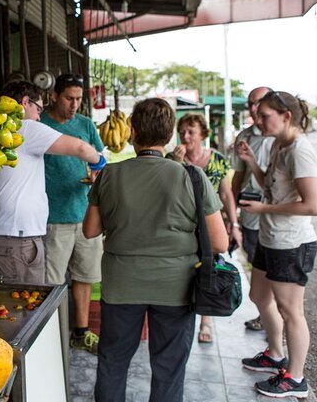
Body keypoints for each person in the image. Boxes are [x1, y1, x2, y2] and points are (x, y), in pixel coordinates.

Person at [84, 98, 228, 402]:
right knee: (168, 368)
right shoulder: (191, 176)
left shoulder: (109, 174)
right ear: (169, 136)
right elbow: (220, 242)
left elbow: (90, 230)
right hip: (176, 287)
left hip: (122, 285)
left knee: (113, 361)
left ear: (132, 132)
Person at [237, 91, 317, 398]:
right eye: (258, 115)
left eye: (265, 115)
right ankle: (275, 355)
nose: (258, 121)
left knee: (291, 311)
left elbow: (313, 205)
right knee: (258, 295)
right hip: (270, 238)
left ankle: (296, 378)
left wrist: (263, 211)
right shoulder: (277, 145)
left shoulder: (299, 150)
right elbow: (272, 188)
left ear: (286, 116)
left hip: (292, 242)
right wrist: (251, 162)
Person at [0, 80, 106, 284]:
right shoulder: (26, 128)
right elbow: (81, 149)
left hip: (3, 233)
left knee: (16, 303)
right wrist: (99, 163)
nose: (40, 117)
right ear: (24, 102)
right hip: (18, 236)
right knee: (26, 307)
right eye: (38, 109)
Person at [40, 73, 105, 354]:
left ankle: (80, 332)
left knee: (85, 276)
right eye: (69, 98)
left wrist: (95, 175)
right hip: (53, 216)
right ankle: (49, 335)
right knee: (52, 282)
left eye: (79, 99)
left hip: (85, 214)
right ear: (54, 95)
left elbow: (101, 160)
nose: (75, 104)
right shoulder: (40, 124)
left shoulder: (86, 125)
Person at [169, 112, 242, 344]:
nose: (186, 136)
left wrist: (233, 223)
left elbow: (226, 192)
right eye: (182, 132)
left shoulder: (217, 159)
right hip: (182, 222)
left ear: (203, 134)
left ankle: (206, 319)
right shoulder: (172, 158)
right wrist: (176, 163)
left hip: (211, 222)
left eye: (191, 131)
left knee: (209, 266)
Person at [231, 86, 275, 331]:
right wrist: (233, 214)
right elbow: (237, 177)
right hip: (250, 214)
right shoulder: (245, 136)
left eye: (258, 103)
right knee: (256, 268)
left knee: (276, 275)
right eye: (250, 103)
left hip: (276, 215)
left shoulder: (281, 137)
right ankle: (265, 317)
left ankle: (275, 325)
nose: (253, 108)